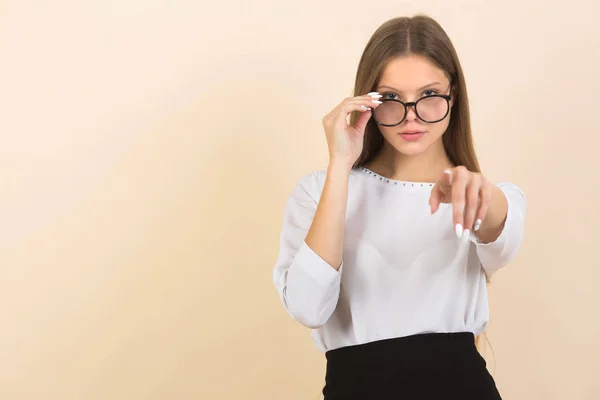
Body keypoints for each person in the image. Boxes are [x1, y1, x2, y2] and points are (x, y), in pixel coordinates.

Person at [272, 14, 525, 400]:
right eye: (390, 99)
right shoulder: (319, 192)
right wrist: (340, 164)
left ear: (452, 96)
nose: (411, 116)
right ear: (367, 102)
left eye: (429, 96)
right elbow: (308, 308)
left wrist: (481, 194)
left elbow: (501, 233)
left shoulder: (479, 195)